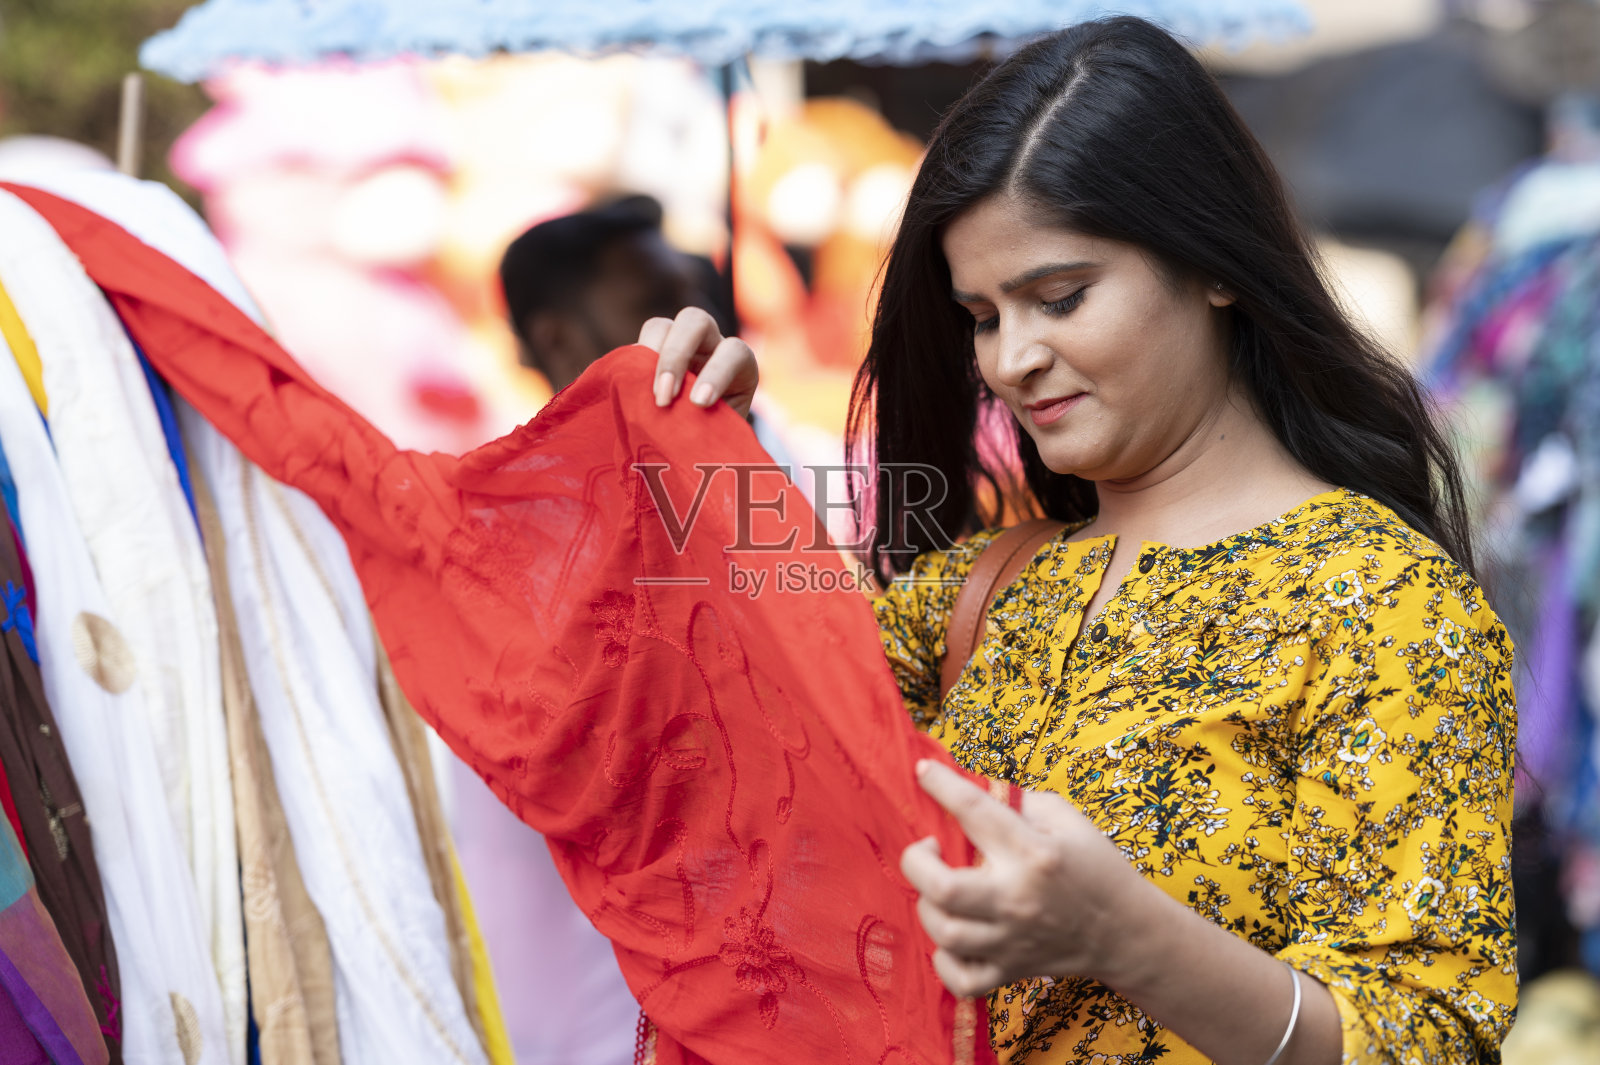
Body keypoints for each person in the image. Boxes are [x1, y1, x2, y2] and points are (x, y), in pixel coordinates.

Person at [640, 15, 1516, 1065]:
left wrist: (1128, 939)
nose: (1011, 359)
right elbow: (749, 754)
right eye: (980, 315)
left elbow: (1430, 1033)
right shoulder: (979, 590)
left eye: (1059, 298)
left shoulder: (1384, 602)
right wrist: (711, 458)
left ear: (1212, 264)